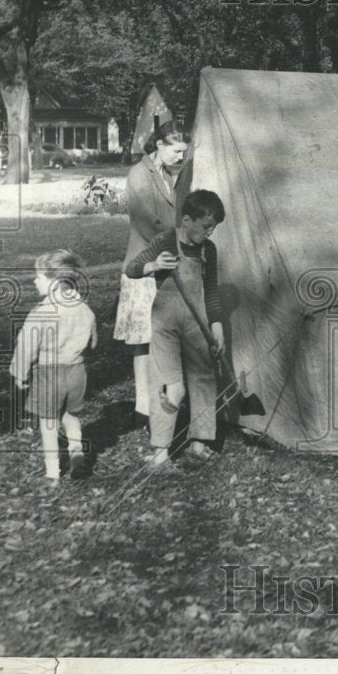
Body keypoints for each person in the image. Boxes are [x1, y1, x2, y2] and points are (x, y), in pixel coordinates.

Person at [126, 190, 225, 468]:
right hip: (165, 322)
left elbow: (212, 290)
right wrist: (153, 265)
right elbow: (131, 268)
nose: (210, 232)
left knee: (203, 378)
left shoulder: (209, 250)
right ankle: (160, 452)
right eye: (206, 226)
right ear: (186, 220)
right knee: (169, 383)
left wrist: (217, 326)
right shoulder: (165, 241)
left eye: (214, 227)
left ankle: (199, 443)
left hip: (197, 321)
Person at [114, 122, 190, 432]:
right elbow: (147, 224)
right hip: (144, 265)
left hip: (166, 262)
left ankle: (162, 403)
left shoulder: (169, 176)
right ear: (158, 144)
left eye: (184, 152)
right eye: (176, 150)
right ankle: (142, 407)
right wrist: (175, 248)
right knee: (143, 343)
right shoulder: (138, 175)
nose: (180, 157)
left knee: (161, 338)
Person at [10, 250, 97, 484]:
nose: (35, 280)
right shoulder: (84, 309)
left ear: (55, 282)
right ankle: (76, 449)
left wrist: (20, 373)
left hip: (49, 373)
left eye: (39, 276)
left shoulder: (41, 312)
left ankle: (52, 473)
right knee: (71, 415)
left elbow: (26, 345)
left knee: (48, 425)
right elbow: (93, 341)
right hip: (77, 371)